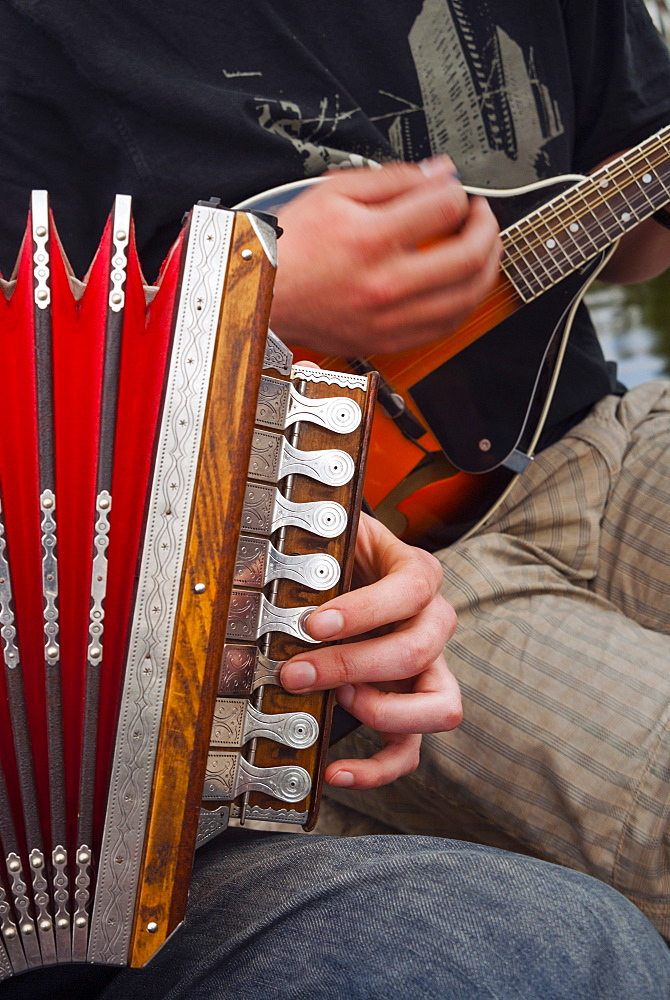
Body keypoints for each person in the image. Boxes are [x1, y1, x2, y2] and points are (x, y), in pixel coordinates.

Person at [1, 2, 670, 997]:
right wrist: (244, 286)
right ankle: (283, 783)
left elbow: (636, 250)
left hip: (577, 439)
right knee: (573, 923)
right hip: (271, 552)